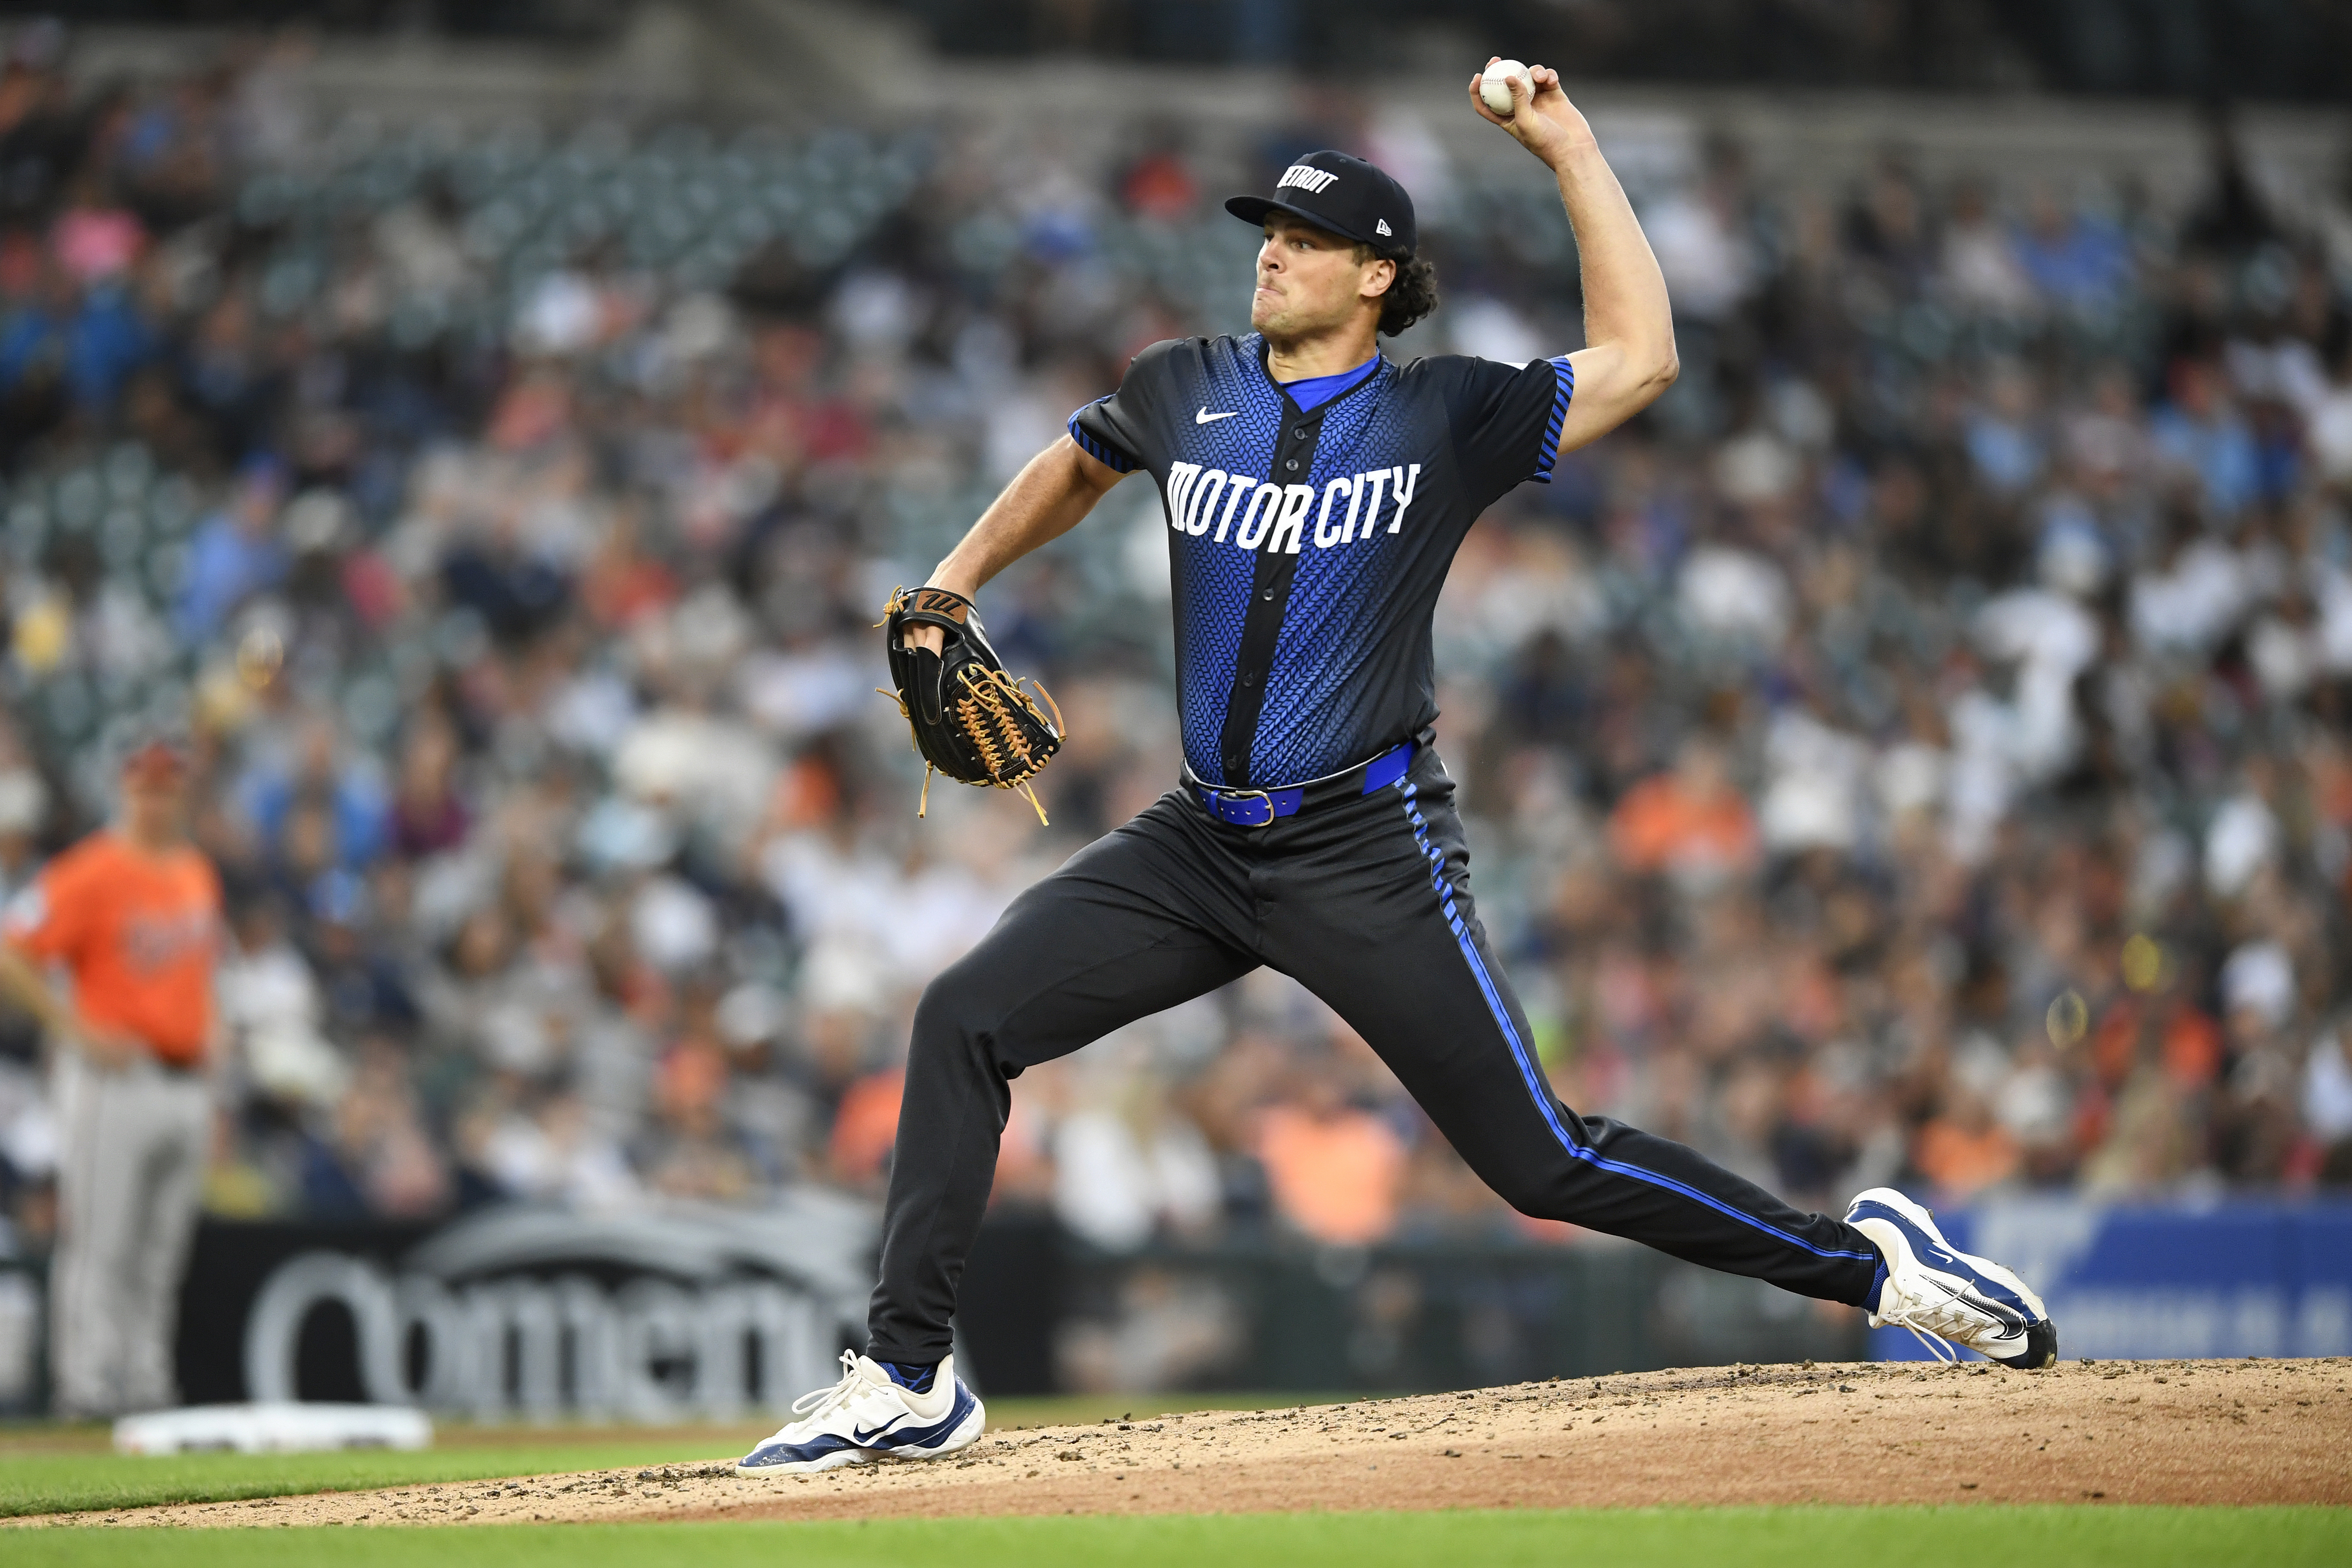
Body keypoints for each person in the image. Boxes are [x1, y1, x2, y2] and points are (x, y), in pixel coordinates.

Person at [739, 62, 2056, 1477]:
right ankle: (908, 1374)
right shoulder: (1182, 385)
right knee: (963, 1017)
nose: (1272, 252)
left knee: (1539, 1160)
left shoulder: (1442, 413)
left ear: (1377, 273)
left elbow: (1641, 359)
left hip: (1362, 851)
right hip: (1197, 845)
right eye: (1265, 231)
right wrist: (948, 586)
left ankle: (1874, 1272)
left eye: (1304, 239)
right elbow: (1076, 462)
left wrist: (1566, 150)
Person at [0, 736, 222, 1418]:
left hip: (186, 1082)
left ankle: (147, 1387)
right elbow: (12, 948)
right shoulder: (90, 870)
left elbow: (198, 976)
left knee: (159, 1256)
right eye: (146, 785)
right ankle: (88, 1389)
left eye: (168, 785)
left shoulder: (194, 872)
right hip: (114, 1081)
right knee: (102, 1242)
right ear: (125, 789)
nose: (157, 798)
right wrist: (72, 1029)